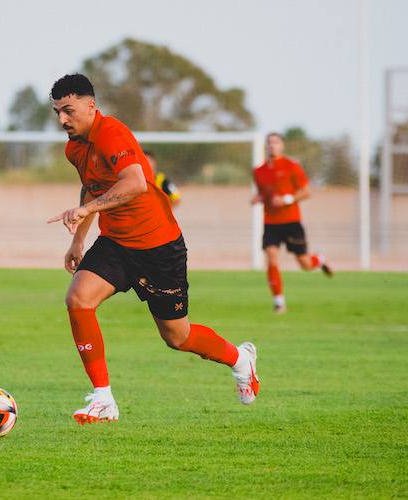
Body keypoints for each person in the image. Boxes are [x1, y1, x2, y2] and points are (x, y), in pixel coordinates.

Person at [47, 74, 259, 425]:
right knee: (78, 299)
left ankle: (240, 360)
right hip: (115, 243)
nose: (62, 120)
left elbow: (135, 184)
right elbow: (91, 189)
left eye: (68, 111)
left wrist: (87, 211)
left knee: (178, 336)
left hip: (158, 247)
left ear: (90, 106)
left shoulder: (112, 133)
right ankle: (103, 399)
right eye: (57, 112)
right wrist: (78, 238)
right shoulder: (74, 148)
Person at [251, 132, 333, 314]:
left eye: (276, 142)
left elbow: (306, 192)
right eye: (269, 143)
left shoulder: (291, 166)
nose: (272, 145)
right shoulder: (259, 171)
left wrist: (287, 199)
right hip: (271, 222)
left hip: (291, 221)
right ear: (266, 146)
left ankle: (318, 259)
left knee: (304, 264)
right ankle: (279, 302)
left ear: (282, 146)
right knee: (271, 255)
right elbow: (265, 193)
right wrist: (258, 198)